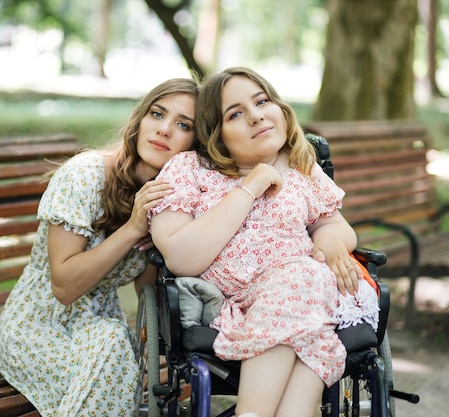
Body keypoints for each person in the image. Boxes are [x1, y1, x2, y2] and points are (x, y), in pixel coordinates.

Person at [149, 67, 378, 417]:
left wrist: (331, 240)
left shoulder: (300, 166)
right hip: (233, 303)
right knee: (308, 312)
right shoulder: (190, 169)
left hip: (304, 293)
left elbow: (335, 225)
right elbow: (181, 258)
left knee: (304, 282)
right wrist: (250, 186)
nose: (256, 116)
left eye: (262, 101)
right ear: (217, 134)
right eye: (236, 113)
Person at [0, 78, 198, 416]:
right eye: (157, 114)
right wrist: (133, 229)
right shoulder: (85, 176)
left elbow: (147, 288)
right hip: (37, 331)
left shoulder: (166, 199)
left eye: (182, 125)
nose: (164, 129)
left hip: (103, 338)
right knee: (115, 353)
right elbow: (63, 286)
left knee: (114, 347)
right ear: (139, 120)